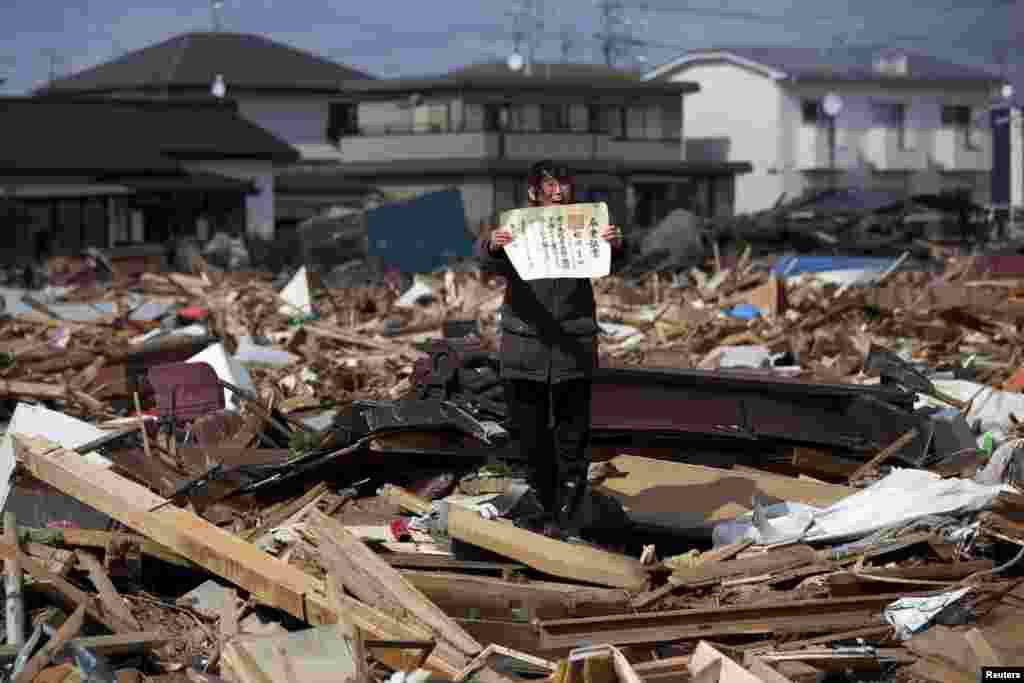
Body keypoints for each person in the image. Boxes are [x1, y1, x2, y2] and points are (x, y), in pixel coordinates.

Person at [475, 160, 627, 539]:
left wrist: (616, 244)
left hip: (573, 348)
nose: (558, 192)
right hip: (524, 348)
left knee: (573, 440)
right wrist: (493, 246)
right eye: (549, 186)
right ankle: (542, 510)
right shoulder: (517, 228)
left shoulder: (586, 224)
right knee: (531, 438)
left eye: (564, 185)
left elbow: (613, 262)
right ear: (533, 193)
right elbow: (486, 262)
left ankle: (569, 518)